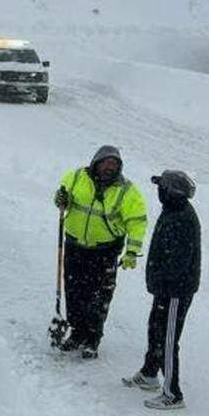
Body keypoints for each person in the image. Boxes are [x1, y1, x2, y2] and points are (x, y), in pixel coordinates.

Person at [54, 145, 148, 358]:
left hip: (104, 252)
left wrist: (132, 251)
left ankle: (92, 339)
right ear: (96, 162)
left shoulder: (126, 191)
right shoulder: (77, 177)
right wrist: (60, 200)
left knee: (98, 297)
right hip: (75, 246)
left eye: (114, 164)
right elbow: (61, 197)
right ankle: (77, 334)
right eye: (106, 163)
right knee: (74, 292)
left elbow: (137, 222)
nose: (109, 168)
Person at [122, 170, 200, 410]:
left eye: (161, 188)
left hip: (175, 290)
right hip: (164, 288)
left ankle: (173, 393)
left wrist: (167, 286)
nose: (158, 192)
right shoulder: (173, 211)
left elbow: (178, 260)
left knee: (168, 338)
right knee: (155, 328)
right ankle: (149, 373)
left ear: (170, 192)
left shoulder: (182, 218)